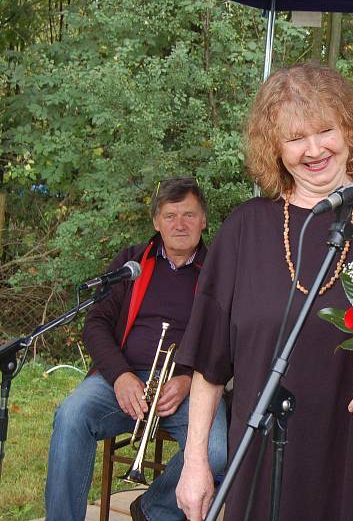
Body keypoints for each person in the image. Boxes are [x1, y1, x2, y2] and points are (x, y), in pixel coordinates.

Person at [175, 64, 353, 521]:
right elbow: (209, 364)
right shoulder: (244, 229)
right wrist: (195, 462)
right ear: (274, 148)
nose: (314, 149)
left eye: (325, 130)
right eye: (296, 138)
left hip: (349, 460)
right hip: (259, 460)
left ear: (349, 131)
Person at [44, 178, 228, 521]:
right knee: (70, 416)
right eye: (170, 215)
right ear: (156, 222)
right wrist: (120, 376)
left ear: (204, 220)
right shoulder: (132, 262)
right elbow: (96, 323)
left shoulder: (219, 271)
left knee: (219, 451)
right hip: (121, 381)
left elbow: (228, 339)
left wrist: (188, 379)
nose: (180, 224)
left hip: (188, 387)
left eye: (189, 215)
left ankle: (153, 507)